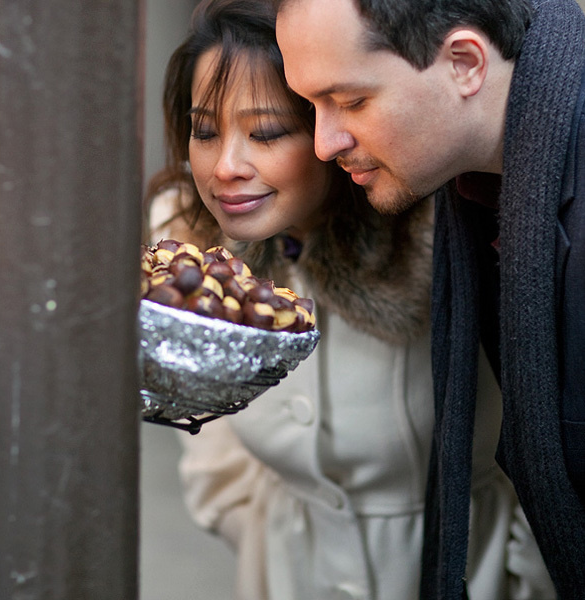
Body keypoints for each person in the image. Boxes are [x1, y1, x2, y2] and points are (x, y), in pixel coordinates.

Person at [147, 0, 554, 598]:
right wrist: (247, 524)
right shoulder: (188, 248)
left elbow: (542, 436)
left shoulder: (448, 240)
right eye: (204, 130)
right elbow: (208, 432)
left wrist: (524, 578)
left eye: (266, 132)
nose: (225, 166)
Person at [274, 0, 585, 596]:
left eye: (351, 101)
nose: (323, 143)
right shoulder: (486, 187)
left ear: (465, 63)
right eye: (312, 106)